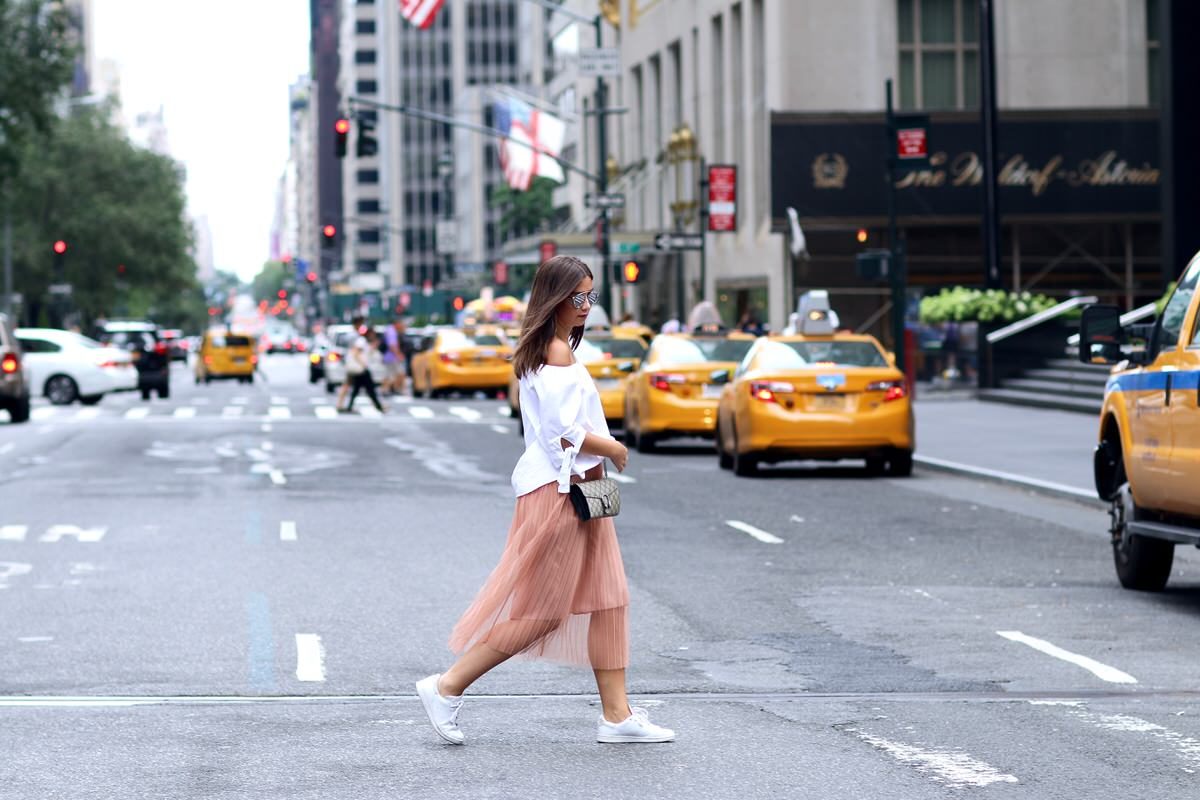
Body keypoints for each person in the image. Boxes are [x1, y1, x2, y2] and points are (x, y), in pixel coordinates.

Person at [416, 255, 675, 746]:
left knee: (610, 599)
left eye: (590, 297)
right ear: (553, 297)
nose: (584, 306)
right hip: (557, 493)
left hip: (583, 490)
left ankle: (617, 717)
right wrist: (613, 446)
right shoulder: (554, 352)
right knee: (541, 613)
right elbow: (561, 433)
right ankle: (446, 687)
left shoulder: (555, 350)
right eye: (576, 297)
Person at [340, 325, 385, 413]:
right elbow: (356, 353)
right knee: (370, 388)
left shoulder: (364, 342)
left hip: (361, 369)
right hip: (361, 369)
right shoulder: (362, 341)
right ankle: (378, 406)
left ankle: (350, 406)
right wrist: (363, 364)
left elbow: (367, 353)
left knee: (357, 389)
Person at [383, 317, 406, 396]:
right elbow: (392, 345)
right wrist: (398, 354)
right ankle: (392, 389)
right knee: (398, 373)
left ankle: (390, 389)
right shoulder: (391, 332)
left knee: (392, 374)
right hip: (391, 357)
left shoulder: (390, 330)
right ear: (397, 324)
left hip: (390, 357)